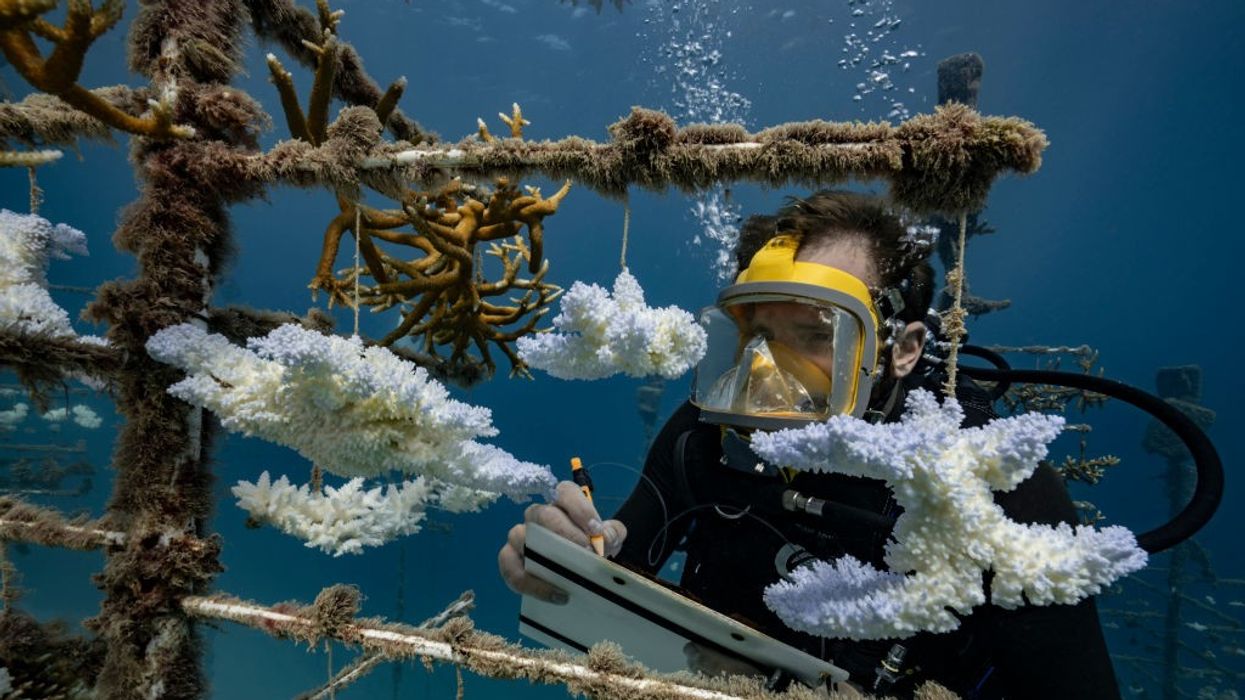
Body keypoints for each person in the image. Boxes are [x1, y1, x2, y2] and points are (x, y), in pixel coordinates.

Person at [499, 191, 1121, 698]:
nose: (767, 371)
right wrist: (570, 558)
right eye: (756, 335)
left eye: (815, 334)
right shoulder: (702, 437)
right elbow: (618, 569)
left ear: (900, 351)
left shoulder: (993, 489)